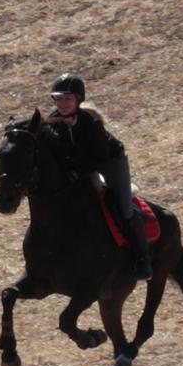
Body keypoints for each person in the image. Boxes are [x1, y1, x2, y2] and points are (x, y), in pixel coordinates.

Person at [43, 72, 152, 280]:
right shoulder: (53, 122)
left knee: (125, 207)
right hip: (80, 166)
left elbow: (100, 157)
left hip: (110, 162)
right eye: (58, 99)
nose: (62, 104)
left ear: (78, 100)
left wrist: (78, 172)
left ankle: (143, 258)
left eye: (67, 99)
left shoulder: (91, 122)